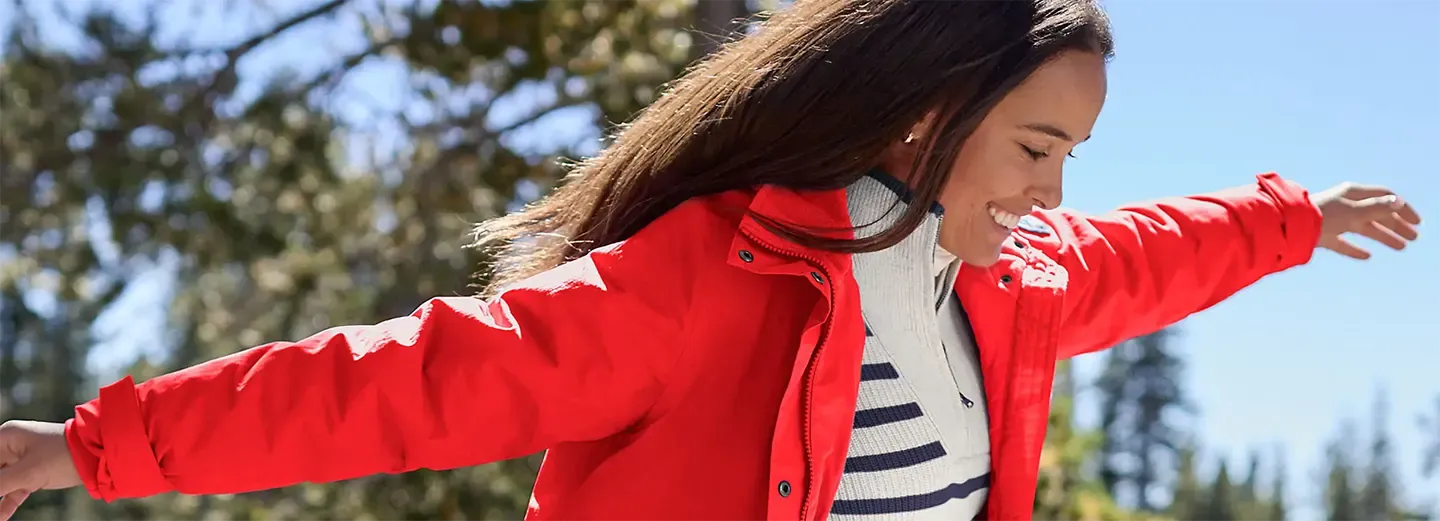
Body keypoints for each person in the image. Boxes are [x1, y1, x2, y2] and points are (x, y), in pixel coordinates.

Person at [0, 0, 1423, 520]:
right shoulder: (692, 290)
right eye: (1039, 146)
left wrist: (1298, 218)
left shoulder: (1011, 279)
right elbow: (395, 387)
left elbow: (1147, 249)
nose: (1060, 189)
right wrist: (83, 452)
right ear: (927, 117)